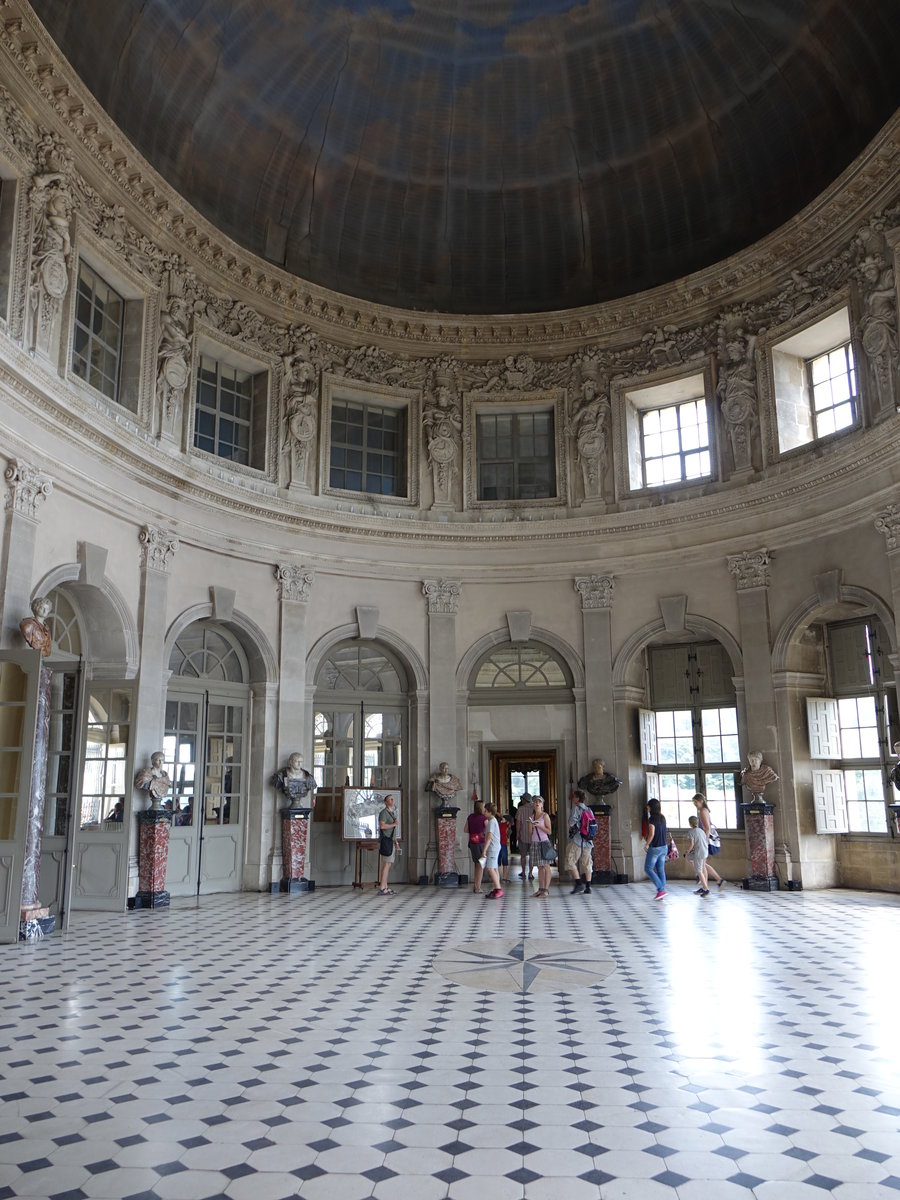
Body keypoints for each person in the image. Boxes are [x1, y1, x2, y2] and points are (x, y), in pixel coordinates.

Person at [692, 793, 724, 888]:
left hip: (705, 840)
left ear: (701, 801)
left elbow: (707, 828)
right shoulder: (703, 810)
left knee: (702, 865)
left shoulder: (702, 811)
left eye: (695, 802)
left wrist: (704, 842)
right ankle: (717, 881)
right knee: (703, 864)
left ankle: (706, 887)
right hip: (705, 839)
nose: (695, 804)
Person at [566, 788, 594, 895]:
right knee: (587, 862)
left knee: (570, 860)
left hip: (578, 840)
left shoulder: (576, 808)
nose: (573, 798)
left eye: (574, 796)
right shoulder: (588, 809)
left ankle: (578, 883)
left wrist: (571, 825)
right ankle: (588, 886)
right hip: (588, 840)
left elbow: (571, 823)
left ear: (577, 798)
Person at [643, 798, 669, 900]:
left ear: (651, 807)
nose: (647, 808)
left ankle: (661, 889)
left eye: (648, 806)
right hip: (664, 847)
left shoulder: (652, 819)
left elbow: (652, 833)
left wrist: (647, 844)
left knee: (648, 868)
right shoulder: (662, 817)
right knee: (660, 870)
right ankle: (661, 892)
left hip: (655, 848)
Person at [530, 796, 553, 898]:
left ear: (542, 805)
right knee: (539, 867)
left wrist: (539, 826)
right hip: (535, 843)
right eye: (535, 802)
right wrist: (531, 826)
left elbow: (549, 831)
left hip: (544, 842)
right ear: (533, 804)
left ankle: (546, 890)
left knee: (546, 866)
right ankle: (540, 889)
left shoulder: (545, 816)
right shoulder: (532, 816)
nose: (537, 803)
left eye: (539, 802)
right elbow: (530, 833)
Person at [377, 794, 400, 895]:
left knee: (389, 864)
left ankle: (385, 886)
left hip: (391, 841)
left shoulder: (393, 813)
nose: (392, 800)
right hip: (386, 841)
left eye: (393, 799)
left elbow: (393, 831)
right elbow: (382, 826)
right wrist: (394, 824)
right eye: (390, 799)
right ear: (386, 802)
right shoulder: (383, 813)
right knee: (386, 864)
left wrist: (396, 842)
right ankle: (382, 888)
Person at [481, 800, 503, 899]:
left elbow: (489, 837)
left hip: (492, 848)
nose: (484, 812)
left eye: (485, 811)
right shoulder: (493, 821)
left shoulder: (491, 822)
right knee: (494, 868)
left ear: (490, 812)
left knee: (490, 869)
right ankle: (497, 888)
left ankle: (498, 889)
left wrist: (484, 850)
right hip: (495, 847)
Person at [685, 815, 709, 897]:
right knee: (688, 858)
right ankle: (698, 874)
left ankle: (706, 889)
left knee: (699, 871)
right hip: (705, 851)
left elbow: (692, 844)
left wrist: (687, 851)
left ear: (690, 824)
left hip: (699, 853)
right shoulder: (701, 830)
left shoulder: (691, 832)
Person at [466, 799, 487, 892]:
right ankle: (478, 887)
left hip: (472, 843)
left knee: (476, 864)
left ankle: (476, 885)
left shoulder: (470, 817)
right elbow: (489, 830)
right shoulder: (484, 818)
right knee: (480, 865)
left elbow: (466, 829)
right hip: (481, 843)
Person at [515, 793, 535, 880]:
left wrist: (517, 833)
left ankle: (523, 872)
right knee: (532, 856)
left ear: (524, 800)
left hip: (523, 834)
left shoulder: (520, 809)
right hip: (533, 836)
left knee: (523, 855)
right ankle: (530, 873)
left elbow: (518, 822)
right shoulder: (534, 808)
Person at [498, 810, 510, 883]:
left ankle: (499, 877)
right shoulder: (505, 824)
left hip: (498, 844)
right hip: (503, 844)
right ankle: (503, 878)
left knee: (498, 862)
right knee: (504, 861)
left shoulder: (497, 824)